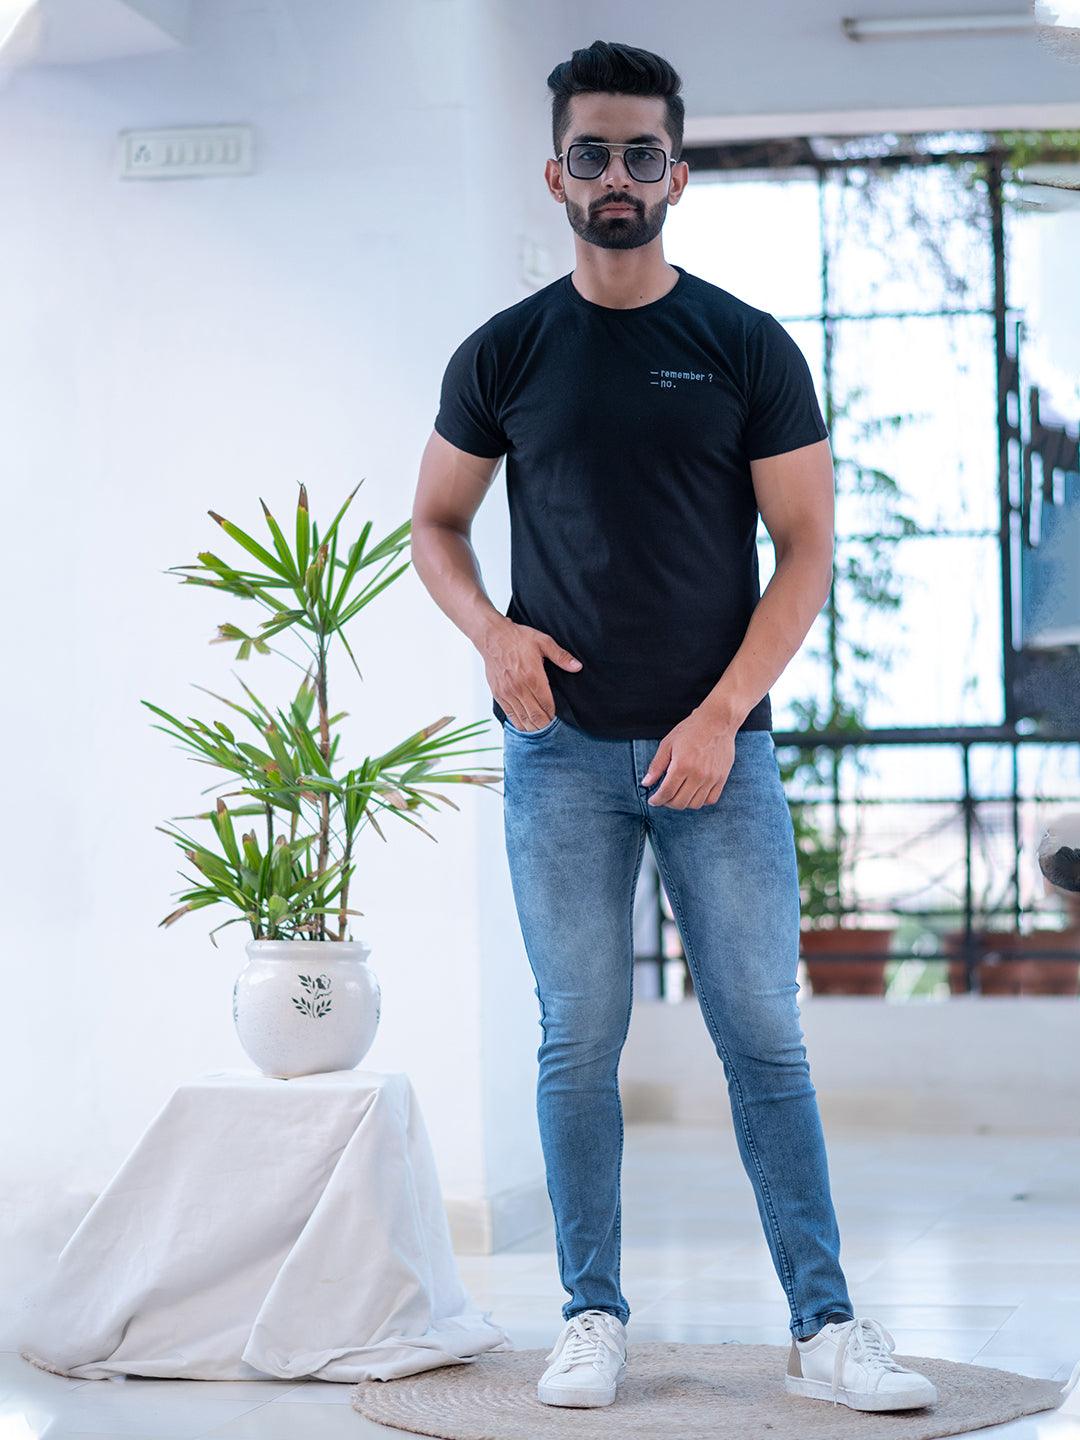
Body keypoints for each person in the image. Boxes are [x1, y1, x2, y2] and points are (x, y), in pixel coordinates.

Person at [411, 37, 938, 1416]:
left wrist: (720, 715)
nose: (617, 175)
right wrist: (493, 635)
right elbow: (437, 524)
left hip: (722, 756)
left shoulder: (744, 346)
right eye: (591, 153)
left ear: (678, 174)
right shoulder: (506, 351)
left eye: (641, 153)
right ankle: (590, 1316)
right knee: (577, 1041)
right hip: (560, 759)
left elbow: (807, 550)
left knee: (763, 1039)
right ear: (556, 175)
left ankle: (827, 1326)